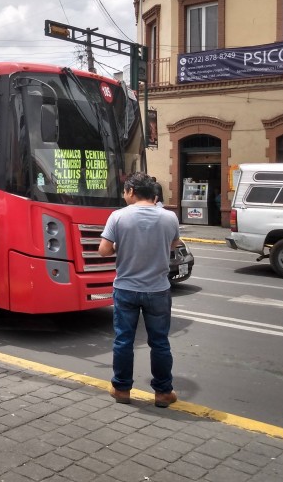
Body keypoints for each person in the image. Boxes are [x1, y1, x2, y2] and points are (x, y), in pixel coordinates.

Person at [98, 172, 181, 408]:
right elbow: (173, 244)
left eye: (124, 192)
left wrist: (118, 244)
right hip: (158, 289)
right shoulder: (169, 218)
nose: (124, 196)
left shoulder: (118, 217)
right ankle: (163, 393)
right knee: (160, 342)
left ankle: (122, 389)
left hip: (126, 289)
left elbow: (103, 251)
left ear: (131, 191)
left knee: (124, 340)